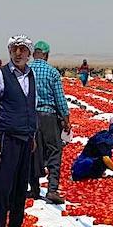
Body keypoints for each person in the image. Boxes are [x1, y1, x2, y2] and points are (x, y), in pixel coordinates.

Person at [0, 34, 38, 227]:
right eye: (14, 49)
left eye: (22, 49)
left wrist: (32, 135)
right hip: (6, 138)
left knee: (20, 185)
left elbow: (30, 107)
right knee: (3, 185)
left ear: (29, 53)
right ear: (9, 52)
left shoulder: (30, 76)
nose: (18, 53)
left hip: (25, 138)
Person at [27, 40, 71, 204]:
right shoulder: (52, 72)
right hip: (49, 116)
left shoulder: (26, 70)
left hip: (30, 117)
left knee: (32, 151)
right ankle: (52, 190)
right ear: (46, 55)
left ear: (33, 54)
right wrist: (66, 119)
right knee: (54, 150)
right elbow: (60, 98)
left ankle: (35, 189)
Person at [71, 111, 113, 181]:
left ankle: (94, 176)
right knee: (89, 162)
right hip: (83, 165)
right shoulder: (102, 140)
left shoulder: (106, 138)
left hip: (93, 162)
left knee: (101, 159)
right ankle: (83, 176)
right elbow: (105, 158)